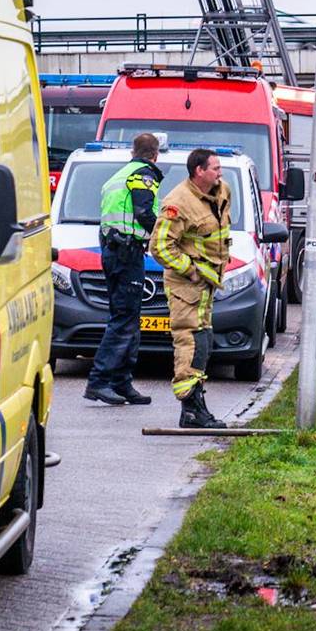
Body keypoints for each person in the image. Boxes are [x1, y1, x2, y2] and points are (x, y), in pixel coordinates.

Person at [150, 147, 232, 429]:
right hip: (187, 286)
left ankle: (196, 405)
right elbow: (160, 246)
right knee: (190, 342)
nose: (220, 172)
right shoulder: (178, 202)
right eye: (215, 168)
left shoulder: (222, 192)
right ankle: (191, 408)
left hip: (208, 284)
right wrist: (191, 270)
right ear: (199, 171)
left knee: (204, 340)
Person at [84, 132, 164, 406]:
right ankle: (99, 381)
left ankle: (122, 382)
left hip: (114, 251)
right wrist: (166, 235)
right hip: (128, 253)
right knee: (124, 319)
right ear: (155, 154)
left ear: (133, 151)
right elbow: (144, 213)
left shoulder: (117, 176)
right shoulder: (144, 174)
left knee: (127, 318)